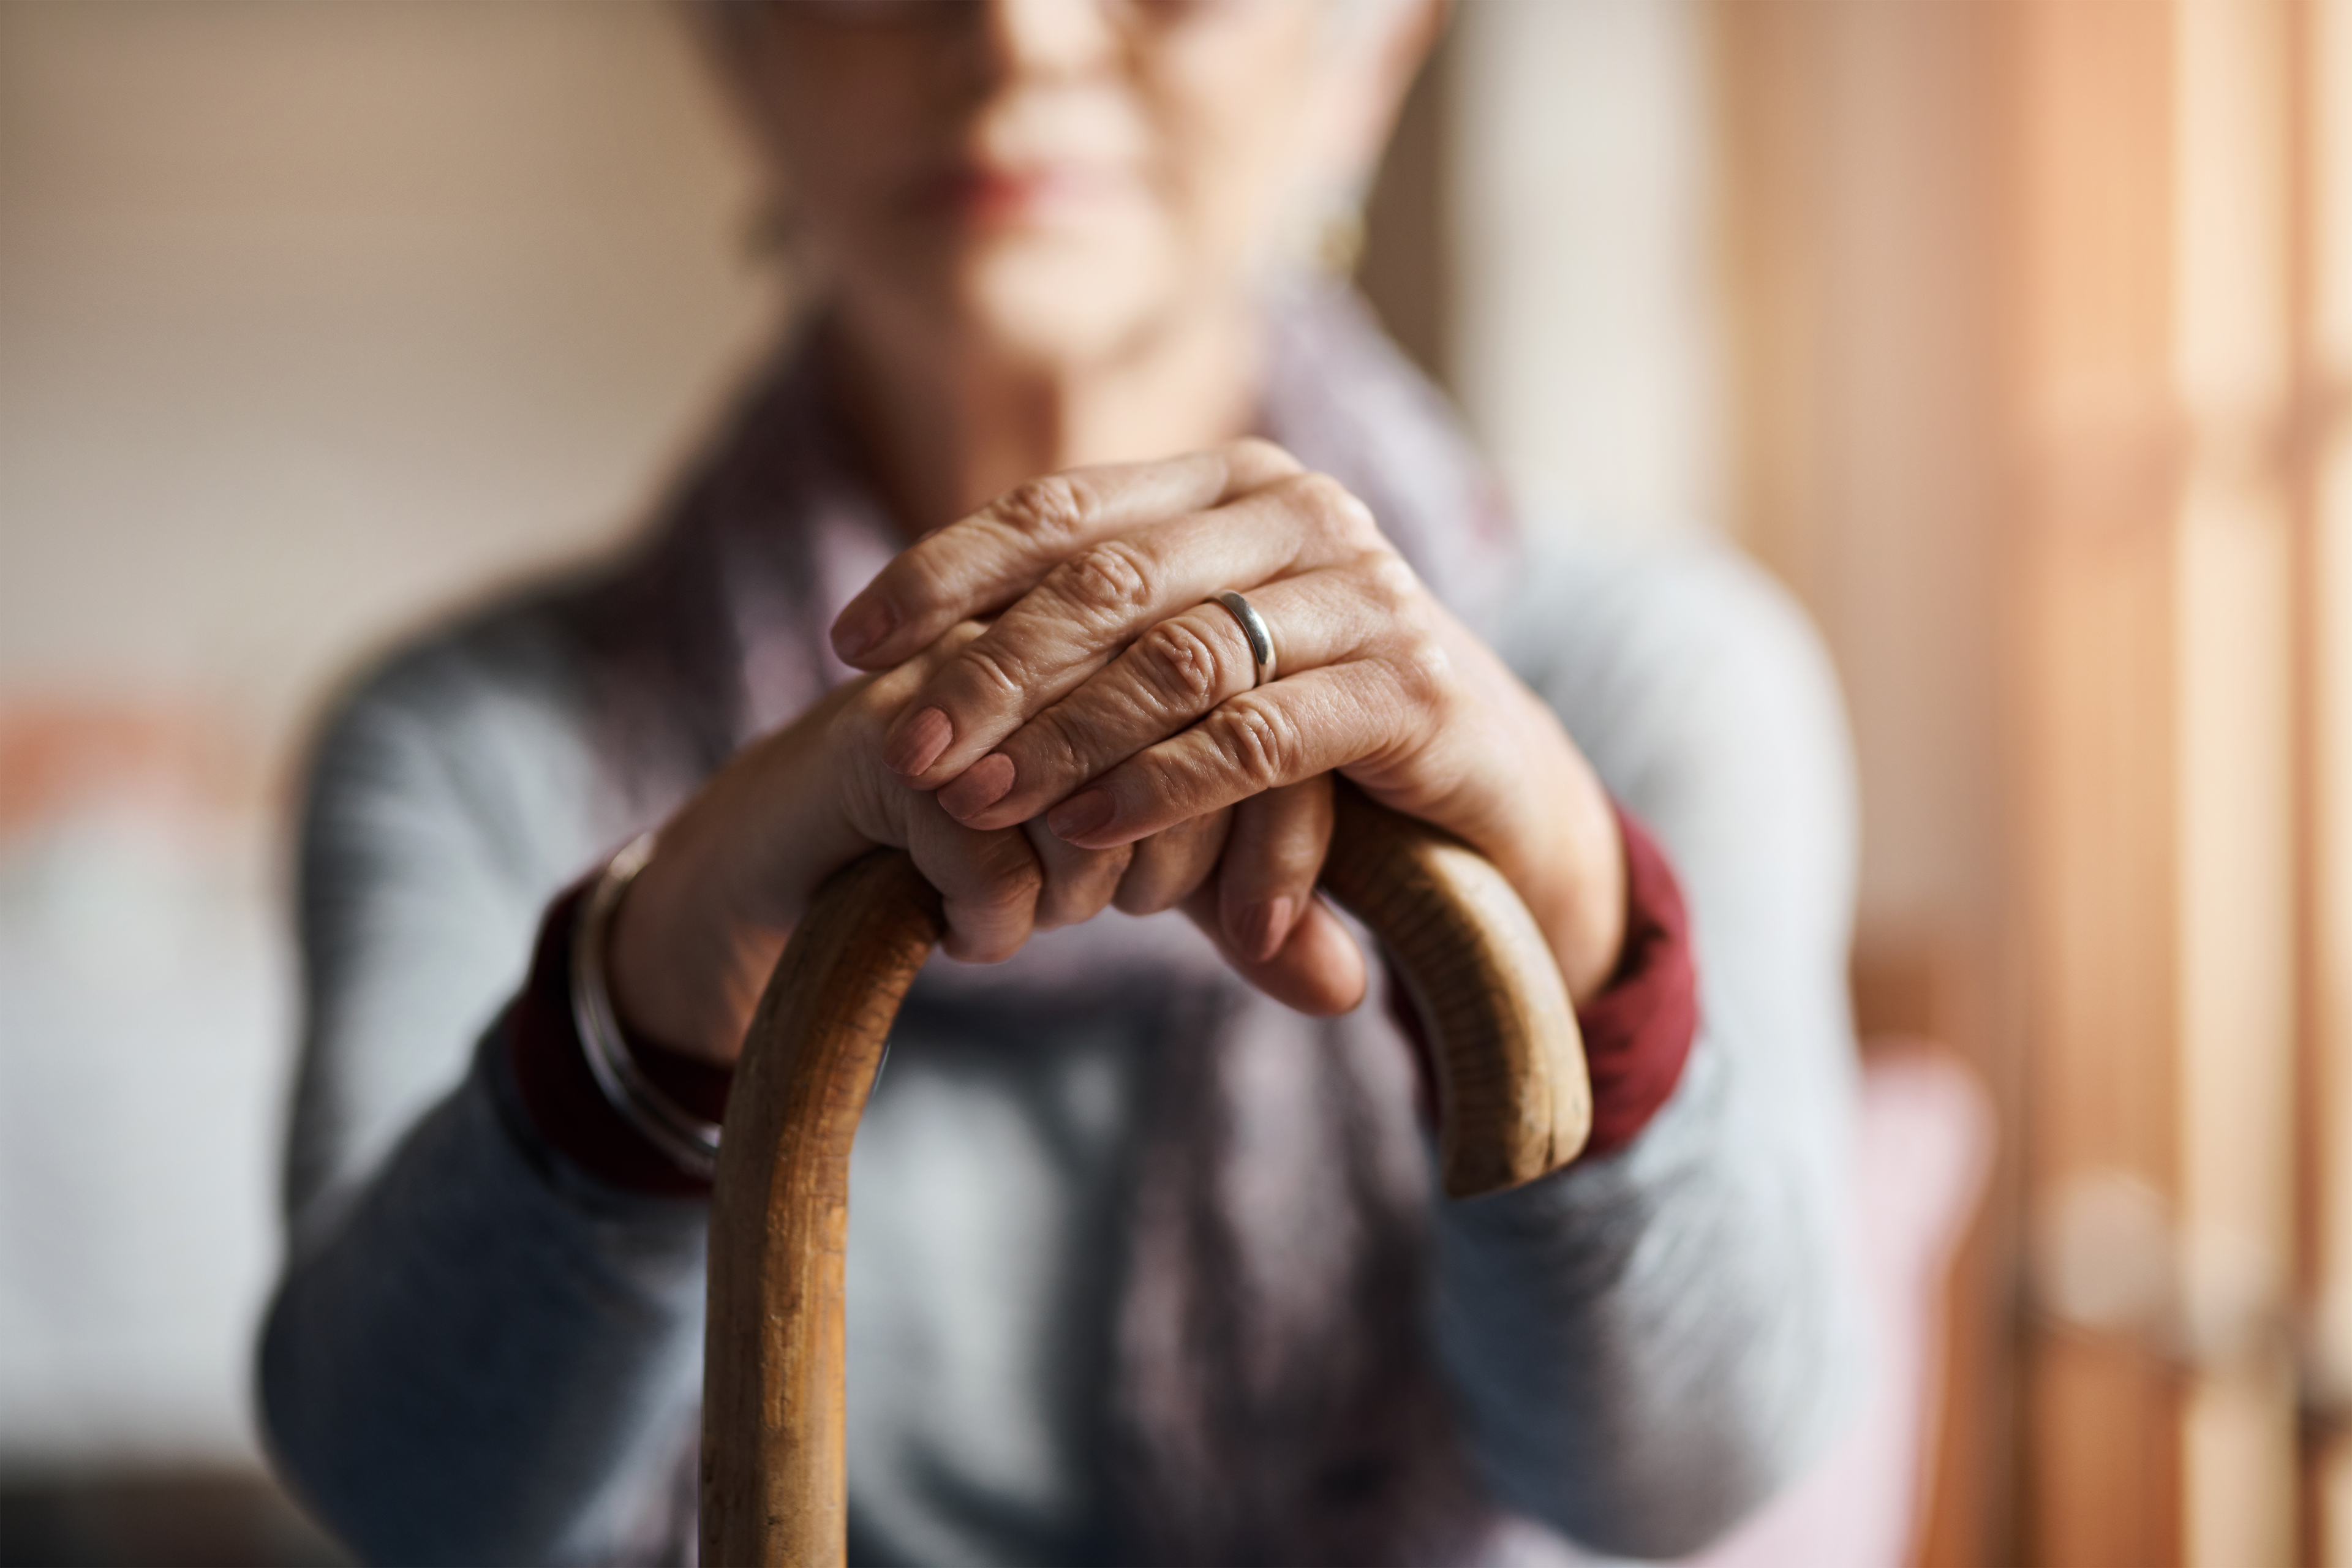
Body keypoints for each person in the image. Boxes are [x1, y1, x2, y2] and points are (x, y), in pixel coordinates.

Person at [258, 1, 1868, 1562]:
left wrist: (1568, 929)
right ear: (738, 50)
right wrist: (651, 985)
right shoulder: (467, 739)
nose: (1016, 32)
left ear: (1364, 57)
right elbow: (411, 1499)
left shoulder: (1650, 680)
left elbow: (1681, 1486)